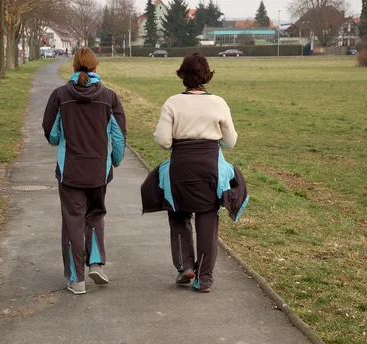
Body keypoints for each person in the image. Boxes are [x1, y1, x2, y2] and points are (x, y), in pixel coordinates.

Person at [140, 53, 248, 293]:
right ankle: (204, 279)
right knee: (208, 221)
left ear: (183, 75)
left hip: (181, 169)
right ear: (206, 76)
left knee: (178, 215)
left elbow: (163, 141)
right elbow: (230, 142)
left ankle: (186, 265)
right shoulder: (219, 103)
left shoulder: (172, 103)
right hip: (209, 170)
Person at [42, 48, 127, 295]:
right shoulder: (109, 97)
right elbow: (118, 136)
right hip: (99, 171)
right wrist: (116, 160)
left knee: (73, 221)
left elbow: (52, 134)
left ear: (73, 67)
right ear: (96, 68)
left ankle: (76, 279)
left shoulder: (60, 96)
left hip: (70, 171)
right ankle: (96, 263)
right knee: (96, 215)